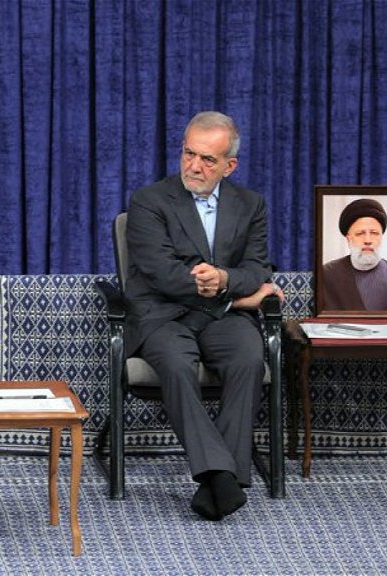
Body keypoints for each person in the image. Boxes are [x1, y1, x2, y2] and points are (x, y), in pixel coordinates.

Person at [125, 111, 278, 521]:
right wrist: (235, 297)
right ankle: (223, 476)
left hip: (221, 319)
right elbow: (162, 273)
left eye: (208, 159)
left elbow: (257, 267)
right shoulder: (149, 201)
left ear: (230, 165)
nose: (194, 166)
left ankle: (217, 477)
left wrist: (225, 278)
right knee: (176, 364)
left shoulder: (251, 205)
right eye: (188, 153)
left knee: (248, 358)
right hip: (165, 315)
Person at [322, 198, 387, 310]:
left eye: (374, 233)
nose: (368, 240)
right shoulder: (326, 275)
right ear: (348, 239)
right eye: (360, 233)